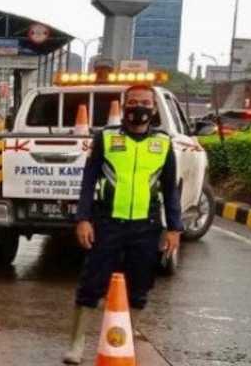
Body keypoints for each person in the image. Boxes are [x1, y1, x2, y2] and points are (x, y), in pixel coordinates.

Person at [62, 84, 183, 364]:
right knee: (91, 284)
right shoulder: (105, 138)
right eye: (133, 102)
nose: (138, 107)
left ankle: (124, 341)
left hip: (146, 225)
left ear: (153, 109)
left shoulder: (163, 144)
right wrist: (83, 219)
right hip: (107, 223)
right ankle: (76, 344)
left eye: (145, 102)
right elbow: (88, 182)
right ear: (123, 104)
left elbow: (170, 190)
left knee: (140, 287)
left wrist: (174, 228)